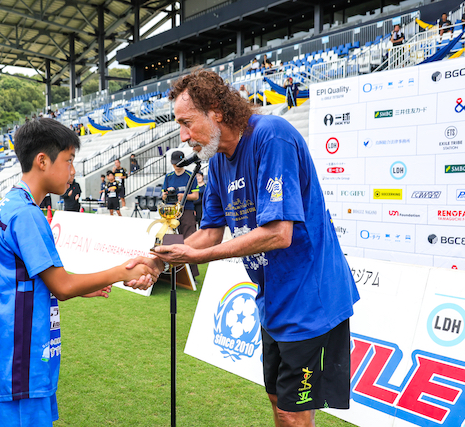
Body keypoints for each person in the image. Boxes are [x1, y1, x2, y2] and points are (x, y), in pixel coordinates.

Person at [147, 70, 359, 427]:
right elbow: (211, 232)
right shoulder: (216, 162)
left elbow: (278, 233)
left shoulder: (271, 136)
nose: (183, 137)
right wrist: (158, 259)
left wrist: (195, 257)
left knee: (293, 413)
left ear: (215, 110)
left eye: (186, 123)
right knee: (277, 401)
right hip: (273, 301)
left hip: (310, 299)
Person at [0, 119, 158, 427]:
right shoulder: (27, 215)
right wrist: (121, 271)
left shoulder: (13, 202)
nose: (73, 170)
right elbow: (62, 285)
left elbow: (41, 279)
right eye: (69, 160)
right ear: (42, 161)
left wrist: (82, 287)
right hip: (23, 355)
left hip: (13, 349)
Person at [161, 150, 199, 276]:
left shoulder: (190, 176)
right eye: (174, 164)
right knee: (171, 240)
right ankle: (174, 272)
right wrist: (165, 196)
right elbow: (163, 195)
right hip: (171, 213)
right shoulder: (168, 177)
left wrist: (183, 196)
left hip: (186, 211)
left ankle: (192, 274)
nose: (176, 166)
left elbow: (196, 196)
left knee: (190, 239)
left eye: (178, 163)